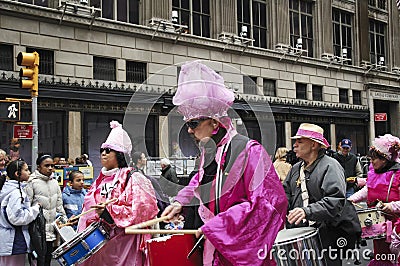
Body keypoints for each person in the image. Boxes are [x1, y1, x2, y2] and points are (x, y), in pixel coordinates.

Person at [161, 61, 288, 265]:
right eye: (187, 124)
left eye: (194, 123)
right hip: (214, 247)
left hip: (240, 252)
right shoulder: (210, 152)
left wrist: (218, 226)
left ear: (214, 123)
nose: (189, 130)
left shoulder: (249, 151)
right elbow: (200, 181)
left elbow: (268, 204)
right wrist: (180, 202)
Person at [77, 121, 158, 265]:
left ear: (120, 155)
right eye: (102, 150)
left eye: (108, 151)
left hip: (125, 245)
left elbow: (144, 210)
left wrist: (109, 212)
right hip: (100, 245)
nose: (103, 154)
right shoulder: (99, 180)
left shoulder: (134, 177)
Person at [284, 123, 361, 266]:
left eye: (299, 141)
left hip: (326, 237)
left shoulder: (330, 166)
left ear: (313, 145)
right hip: (300, 238)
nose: (294, 145)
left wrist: (307, 211)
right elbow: (284, 196)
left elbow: (335, 201)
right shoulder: (295, 169)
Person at [348, 134, 400, 265]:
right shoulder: (374, 172)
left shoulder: (398, 174)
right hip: (378, 226)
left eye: (374, 158)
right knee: (380, 254)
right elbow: (368, 189)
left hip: (396, 229)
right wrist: (351, 199)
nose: (371, 161)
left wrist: (391, 206)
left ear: (385, 159)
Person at [26, 154, 66, 266]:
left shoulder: (55, 182)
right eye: (46, 165)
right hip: (37, 229)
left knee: (48, 259)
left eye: (52, 166)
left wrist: (64, 220)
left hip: (52, 229)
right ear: (39, 167)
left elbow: (59, 204)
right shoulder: (31, 182)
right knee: (38, 260)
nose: (50, 168)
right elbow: (27, 204)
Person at [0, 160, 40, 265]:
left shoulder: (7, 189)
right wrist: (35, 209)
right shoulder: (15, 193)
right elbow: (17, 218)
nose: (29, 173)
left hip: (7, 239)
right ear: (17, 174)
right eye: (26, 170)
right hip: (14, 240)